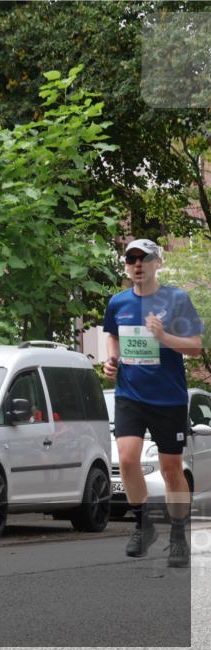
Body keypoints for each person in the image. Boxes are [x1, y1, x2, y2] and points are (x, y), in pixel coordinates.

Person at [102, 239, 204, 568]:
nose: (137, 264)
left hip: (169, 398)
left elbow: (195, 348)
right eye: (131, 259)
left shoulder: (176, 299)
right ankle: (143, 524)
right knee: (128, 460)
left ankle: (177, 535)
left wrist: (164, 338)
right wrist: (111, 359)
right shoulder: (118, 302)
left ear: (157, 262)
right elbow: (113, 334)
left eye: (144, 258)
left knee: (171, 469)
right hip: (130, 395)